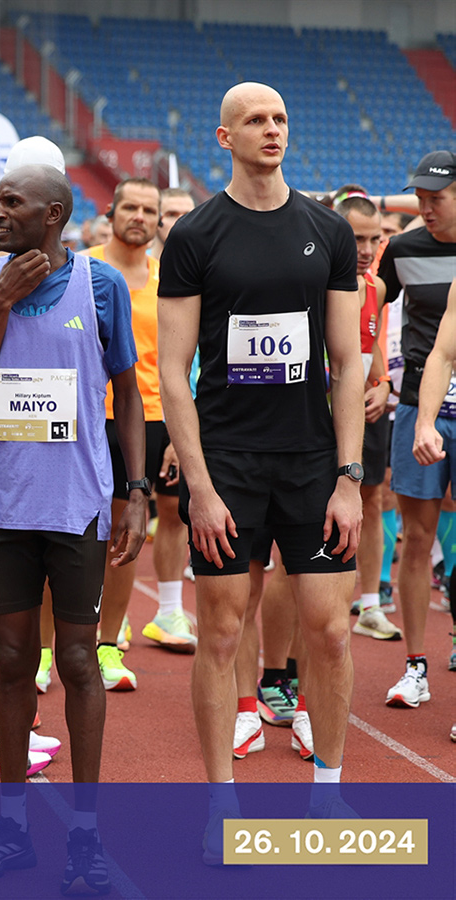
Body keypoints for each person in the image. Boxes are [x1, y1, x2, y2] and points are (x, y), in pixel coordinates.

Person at [157, 83, 364, 860]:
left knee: (331, 632)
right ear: (223, 136)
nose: (271, 129)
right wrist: (200, 487)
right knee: (217, 632)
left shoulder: (327, 229)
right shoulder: (197, 234)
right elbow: (174, 372)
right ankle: (220, 803)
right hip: (230, 465)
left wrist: (348, 476)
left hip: (311, 460)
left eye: (280, 117)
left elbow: (346, 361)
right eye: (255, 120)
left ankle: (329, 790)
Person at [0, 165, 144, 892]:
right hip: (3, 504)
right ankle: (12, 825)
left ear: (52, 213)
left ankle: (86, 837)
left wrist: (134, 490)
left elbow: (126, 389)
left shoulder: (100, 286)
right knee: (8, 657)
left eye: (8, 203)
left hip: (77, 504)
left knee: (79, 659)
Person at [84, 178, 196, 692]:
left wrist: (178, 432)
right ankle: (47, 650)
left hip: (147, 418)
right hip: (82, 415)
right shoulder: (80, 266)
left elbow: (184, 360)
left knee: (129, 530)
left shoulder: (169, 277)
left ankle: (108, 646)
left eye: (150, 210)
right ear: (111, 212)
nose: (140, 216)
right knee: (71, 533)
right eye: (130, 206)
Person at [380, 150, 456, 710]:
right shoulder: (403, 249)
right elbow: (367, 309)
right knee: (415, 541)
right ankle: (415, 667)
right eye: (421, 199)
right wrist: (377, 378)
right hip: (418, 408)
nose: (427, 209)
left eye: (438, 199)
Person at [334, 193, 402, 641]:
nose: (365, 248)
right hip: (324, 415)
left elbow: (371, 351)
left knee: (372, 502)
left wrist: (383, 387)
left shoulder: (375, 287)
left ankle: (371, 604)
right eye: (357, 237)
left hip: (367, 412)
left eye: (374, 239)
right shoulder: (321, 284)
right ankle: (329, 601)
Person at [152, 188, 195, 262]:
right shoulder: (133, 266)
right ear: (156, 219)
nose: (182, 221)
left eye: (188, 215)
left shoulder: (207, 267)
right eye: (171, 215)